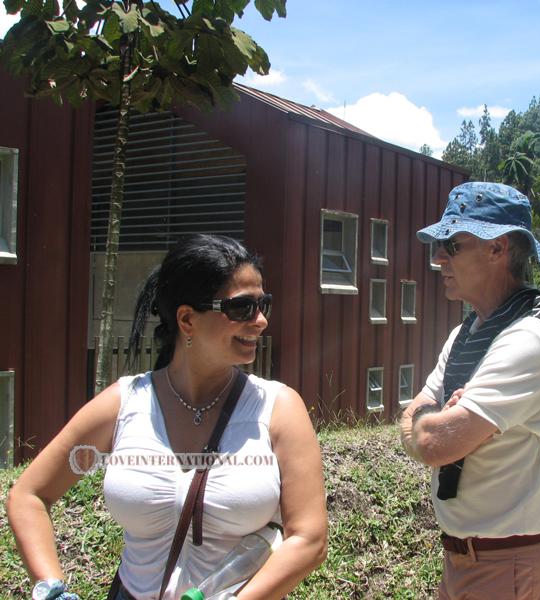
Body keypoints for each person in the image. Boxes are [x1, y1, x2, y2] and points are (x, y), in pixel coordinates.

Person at [7, 234, 327, 600]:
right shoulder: (124, 403)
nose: (261, 321)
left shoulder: (278, 408)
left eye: (263, 304)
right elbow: (30, 495)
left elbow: (309, 539)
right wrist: (52, 588)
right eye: (242, 308)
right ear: (187, 319)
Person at [401, 181, 540, 600]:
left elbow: (433, 443)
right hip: (470, 562)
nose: (438, 258)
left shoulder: (528, 340)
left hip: (510, 569)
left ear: (497, 248)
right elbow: (421, 418)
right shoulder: (467, 333)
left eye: (452, 245)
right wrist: (431, 421)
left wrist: (428, 425)